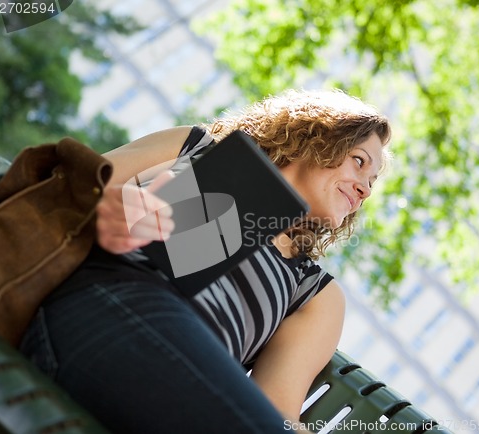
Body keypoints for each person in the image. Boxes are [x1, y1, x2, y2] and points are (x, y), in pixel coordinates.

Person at [20, 89, 391, 433]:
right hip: (99, 303)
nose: (364, 188)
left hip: (179, 390)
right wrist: (103, 208)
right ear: (316, 137)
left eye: (372, 183)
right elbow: (60, 189)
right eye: (359, 162)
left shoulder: (314, 292)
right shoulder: (196, 147)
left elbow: (276, 410)